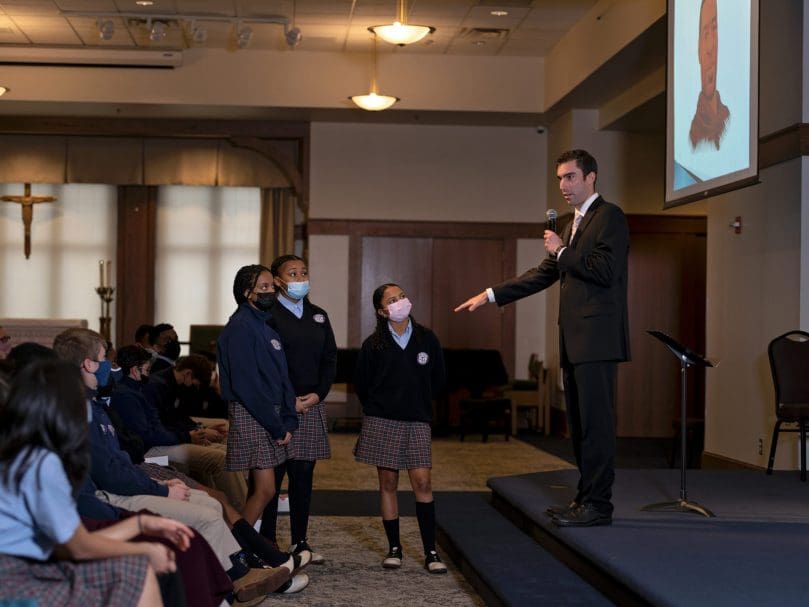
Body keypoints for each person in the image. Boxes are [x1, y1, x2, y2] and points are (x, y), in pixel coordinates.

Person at [52, 327, 309, 598]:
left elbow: (121, 458)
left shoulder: (92, 405)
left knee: (211, 503)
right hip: (108, 495)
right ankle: (232, 585)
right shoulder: (79, 409)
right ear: (88, 364)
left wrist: (158, 482)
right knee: (208, 515)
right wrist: (161, 489)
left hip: (125, 479)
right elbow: (112, 471)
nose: (109, 366)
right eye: (105, 359)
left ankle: (240, 571)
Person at [455, 149, 630, 527]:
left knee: (596, 426)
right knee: (580, 427)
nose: (563, 185)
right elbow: (542, 274)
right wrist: (491, 294)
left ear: (591, 177)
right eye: (560, 179)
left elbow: (604, 270)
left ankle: (599, 505)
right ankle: (585, 498)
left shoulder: (609, 217)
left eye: (570, 177)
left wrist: (561, 250)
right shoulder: (571, 224)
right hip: (575, 342)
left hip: (597, 341)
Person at [0, 358, 194, 607]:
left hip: (23, 571)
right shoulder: (43, 463)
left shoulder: (21, 452)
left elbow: (70, 541)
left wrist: (142, 524)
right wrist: (146, 549)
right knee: (139, 570)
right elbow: (79, 547)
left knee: (136, 568)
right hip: (18, 585)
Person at [354, 283, 448, 573]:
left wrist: (418, 401)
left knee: (423, 483)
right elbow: (362, 385)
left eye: (402, 296)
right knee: (388, 484)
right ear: (382, 311)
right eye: (392, 300)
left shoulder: (426, 338)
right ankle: (394, 548)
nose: (400, 302)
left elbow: (439, 379)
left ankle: (431, 551)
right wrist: (382, 406)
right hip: (383, 420)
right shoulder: (373, 345)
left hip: (417, 419)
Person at [260, 254, 337, 564]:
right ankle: (266, 539)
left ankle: (300, 541)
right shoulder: (268, 315)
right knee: (273, 475)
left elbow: (330, 360)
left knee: (303, 474)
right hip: (278, 406)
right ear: (278, 281)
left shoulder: (318, 315)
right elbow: (264, 363)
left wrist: (318, 395)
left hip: (311, 404)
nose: (300, 278)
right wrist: (286, 398)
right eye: (293, 273)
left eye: (303, 272)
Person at [112, 345, 247, 510]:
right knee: (220, 458)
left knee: (220, 452)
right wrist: (188, 436)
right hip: (150, 450)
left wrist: (193, 432)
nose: (149, 374)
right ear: (135, 371)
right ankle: (242, 510)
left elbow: (168, 421)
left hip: (160, 441)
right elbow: (150, 434)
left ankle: (237, 506)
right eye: (147, 370)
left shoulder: (139, 389)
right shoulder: (132, 394)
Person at [217, 264, 299, 527]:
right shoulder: (240, 327)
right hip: (253, 413)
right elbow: (247, 385)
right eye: (263, 287)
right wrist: (276, 426)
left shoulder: (265, 326)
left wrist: (289, 417)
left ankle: (242, 543)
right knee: (265, 490)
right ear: (247, 293)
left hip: (270, 413)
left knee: (263, 490)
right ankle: (235, 544)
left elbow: (283, 377)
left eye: (272, 286)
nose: (270, 291)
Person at [689, 0, 729, 150]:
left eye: (715, 28)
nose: (711, 47)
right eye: (705, 34)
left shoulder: (727, 117)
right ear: (698, 50)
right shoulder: (695, 134)